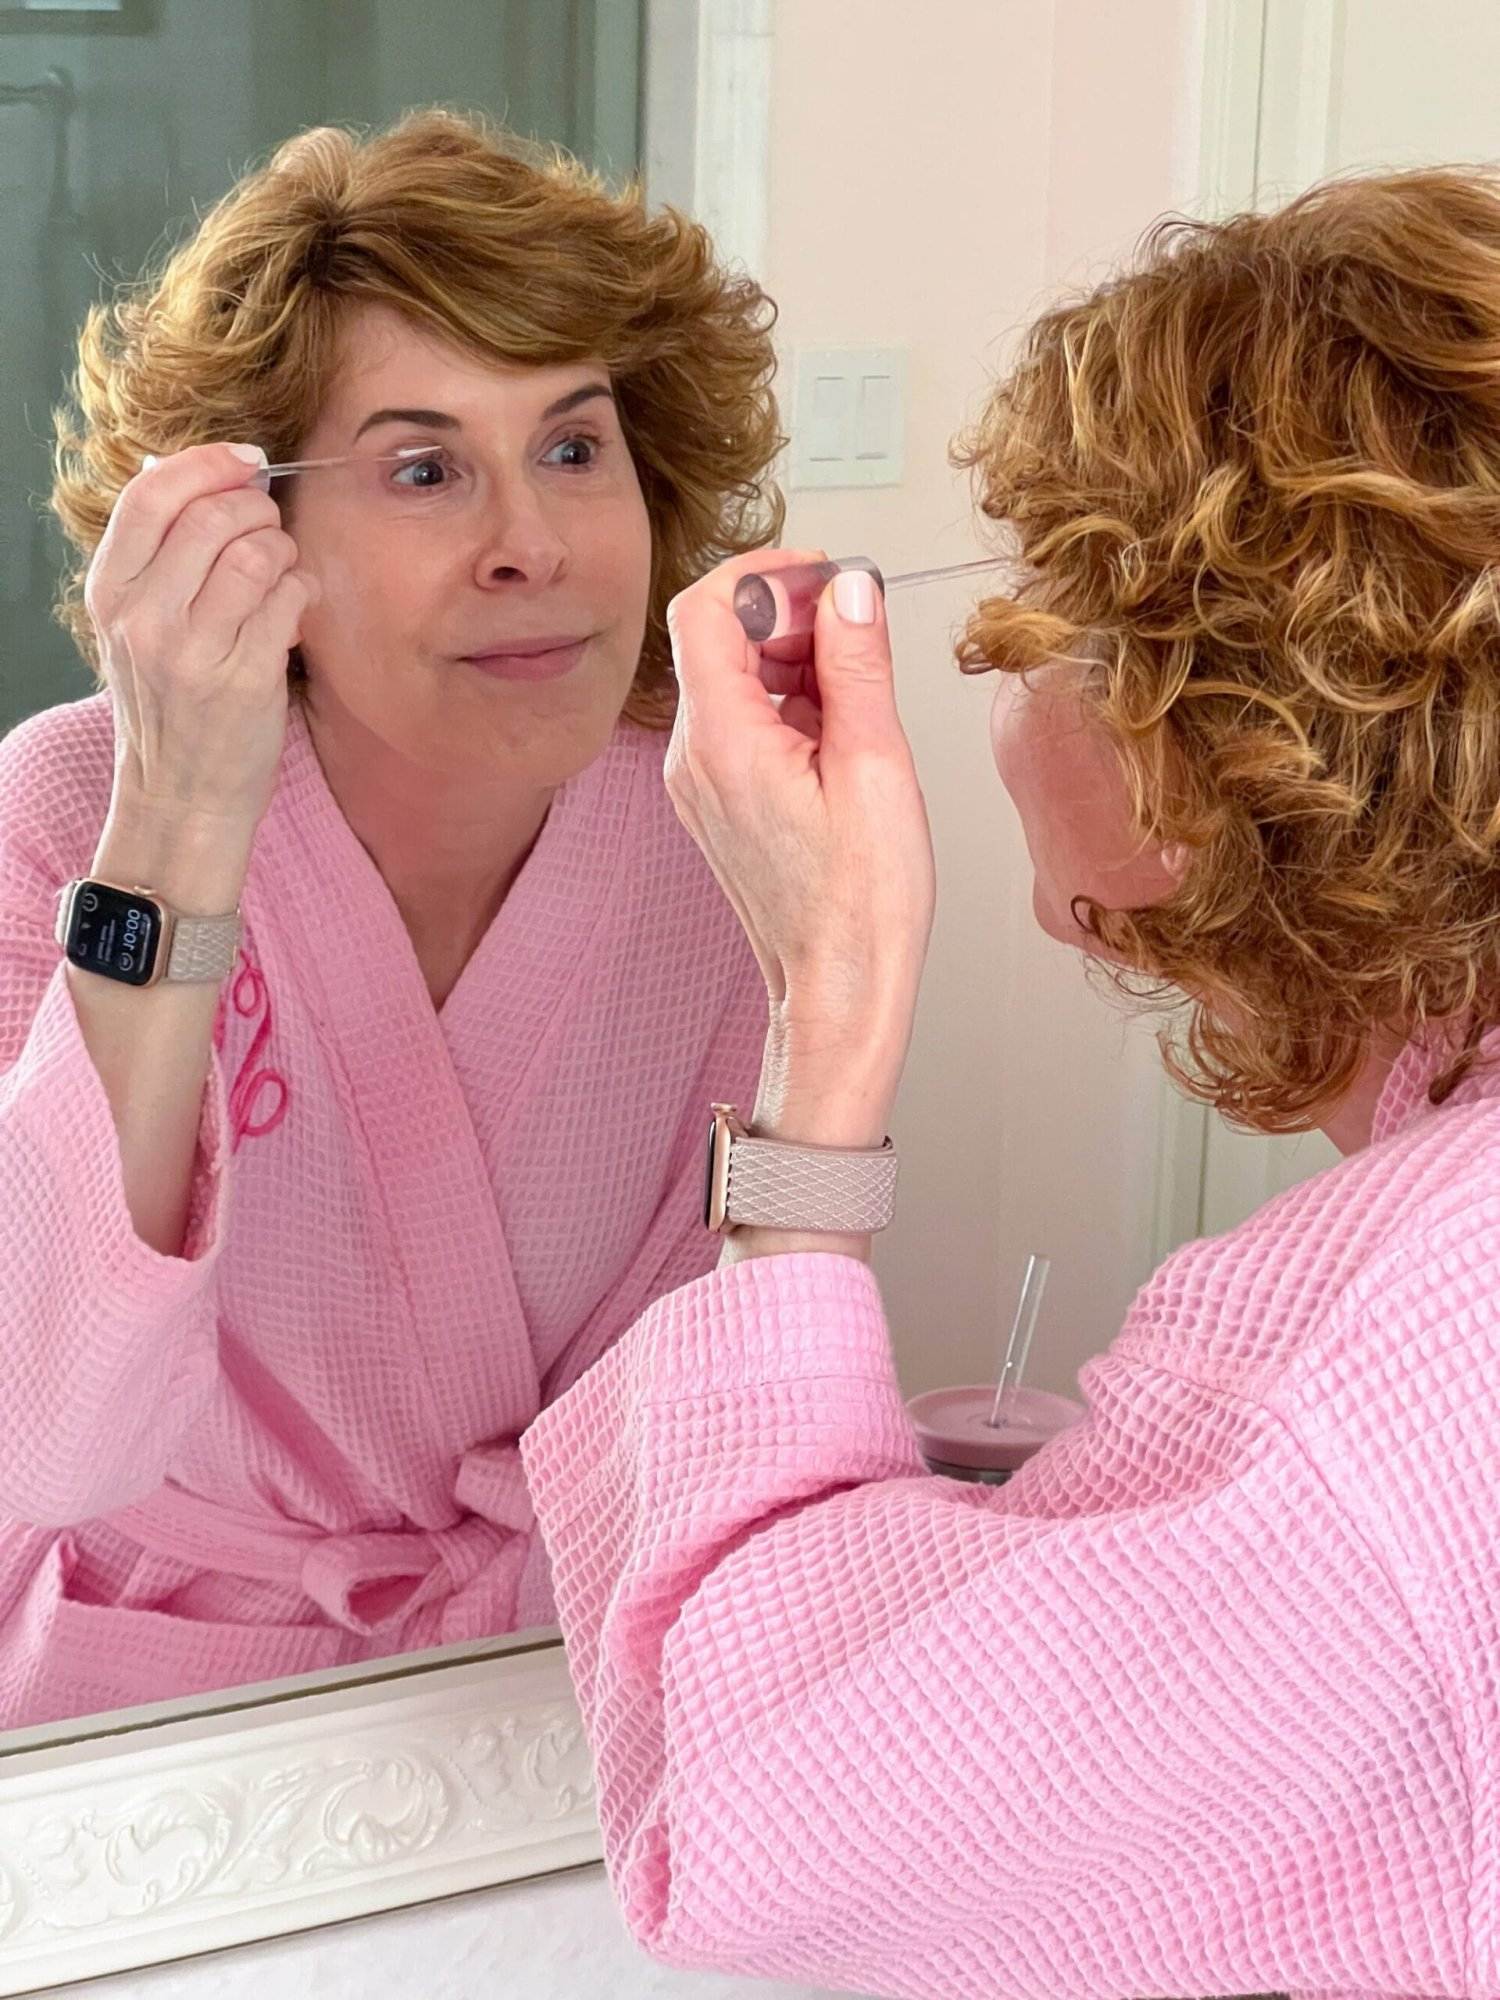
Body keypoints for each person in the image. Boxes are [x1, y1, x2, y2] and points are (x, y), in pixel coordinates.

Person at [518, 167, 1500, 2000]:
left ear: (1220, 725)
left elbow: (774, 1827)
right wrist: (1114, 1552)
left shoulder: (1387, 1349)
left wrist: (829, 1015)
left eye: (1043, 602)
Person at [0, 107, 784, 1729]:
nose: (534, 546)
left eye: (574, 447)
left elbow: (732, 1367)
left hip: (559, 1686)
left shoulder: (716, 828)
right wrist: (178, 831)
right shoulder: (71, 813)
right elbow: (42, 1438)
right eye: (425, 469)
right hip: (138, 1718)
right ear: (247, 527)